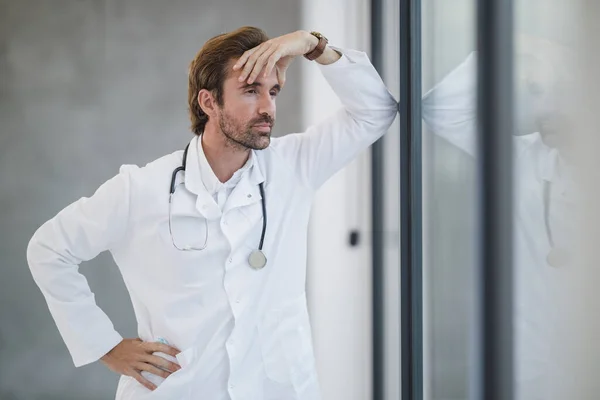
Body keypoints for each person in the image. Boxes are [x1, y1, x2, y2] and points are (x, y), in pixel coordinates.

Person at [26, 26, 398, 399]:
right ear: (208, 102)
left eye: (273, 91)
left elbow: (376, 112)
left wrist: (313, 47)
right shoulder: (141, 190)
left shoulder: (294, 166)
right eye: (251, 91)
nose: (267, 107)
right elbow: (49, 249)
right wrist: (105, 346)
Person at [422, 35, 577, 400]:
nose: (547, 107)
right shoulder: (521, 157)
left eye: (564, 91)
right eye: (538, 91)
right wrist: (505, 44)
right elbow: (438, 111)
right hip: (525, 364)